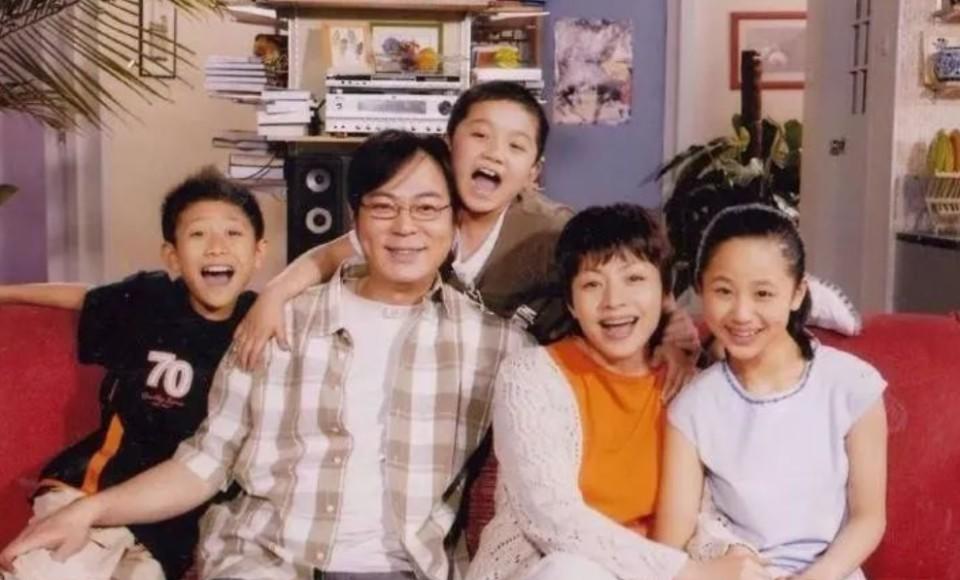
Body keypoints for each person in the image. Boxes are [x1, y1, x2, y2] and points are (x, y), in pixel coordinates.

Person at [0, 131, 530, 580]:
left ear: (454, 221)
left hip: (403, 569)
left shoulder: (494, 343)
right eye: (384, 207)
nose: (405, 226)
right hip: (264, 561)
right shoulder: (276, 323)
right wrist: (90, 510)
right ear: (356, 221)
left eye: (427, 208)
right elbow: (205, 462)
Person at [232, 81, 701, 370]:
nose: (494, 153)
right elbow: (331, 253)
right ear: (449, 144)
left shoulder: (549, 229)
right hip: (445, 375)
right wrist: (273, 295)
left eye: (516, 146)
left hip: (539, 374)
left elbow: (627, 266)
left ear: (533, 173)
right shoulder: (422, 213)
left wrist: (671, 326)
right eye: (479, 135)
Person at [467, 204, 773, 580]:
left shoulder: (694, 389)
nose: (614, 301)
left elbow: (709, 514)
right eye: (592, 284)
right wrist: (684, 572)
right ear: (571, 303)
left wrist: (731, 555)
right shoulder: (530, 377)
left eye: (634, 279)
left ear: (665, 292)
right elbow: (551, 517)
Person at [0, 168, 267, 580]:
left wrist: (278, 296)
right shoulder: (150, 301)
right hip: (92, 490)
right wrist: (5, 293)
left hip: (171, 528)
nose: (217, 247)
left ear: (259, 252)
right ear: (172, 256)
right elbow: (86, 298)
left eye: (233, 233)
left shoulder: (260, 324)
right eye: (198, 234)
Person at [654, 204, 887, 580]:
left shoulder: (853, 385)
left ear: (797, 293)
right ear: (700, 288)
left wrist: (819, 576)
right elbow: (671, 546)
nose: (742, 314)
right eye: (724, 291)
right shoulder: (693, 407)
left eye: (763, 293)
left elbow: (869, 517)